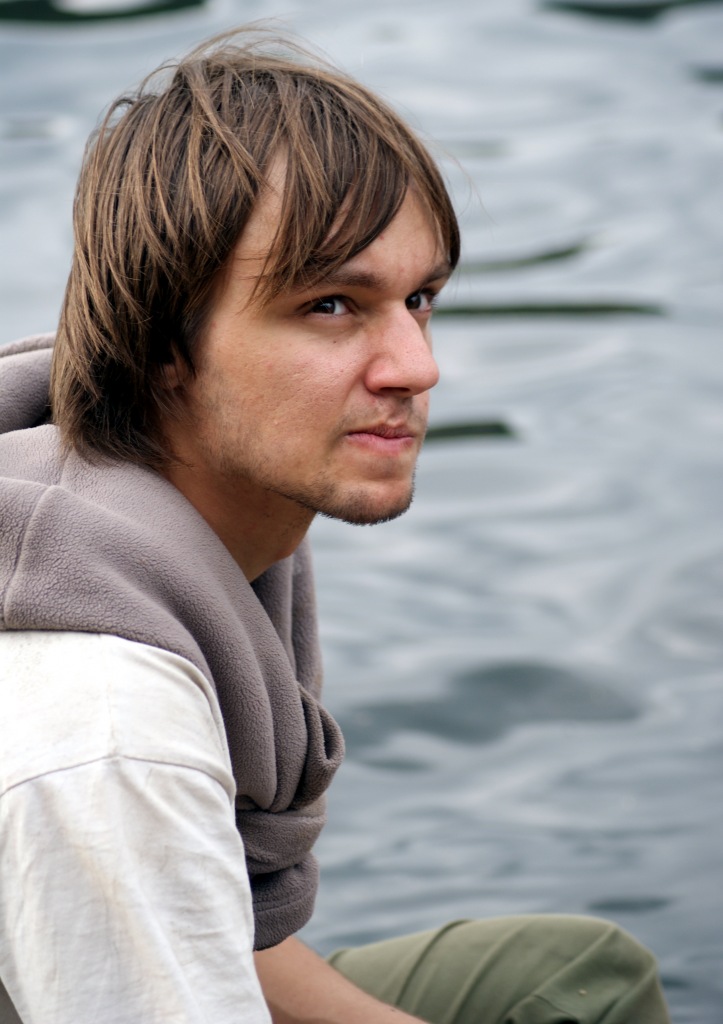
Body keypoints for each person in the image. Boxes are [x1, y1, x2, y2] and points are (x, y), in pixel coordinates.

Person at [0, 28, 671, 1024]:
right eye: (329, 304)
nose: (417, 367)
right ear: (162, 346)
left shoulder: (160, 527)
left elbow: (200, 925)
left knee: (569, 974)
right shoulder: (107, 729)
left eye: (420, 298)